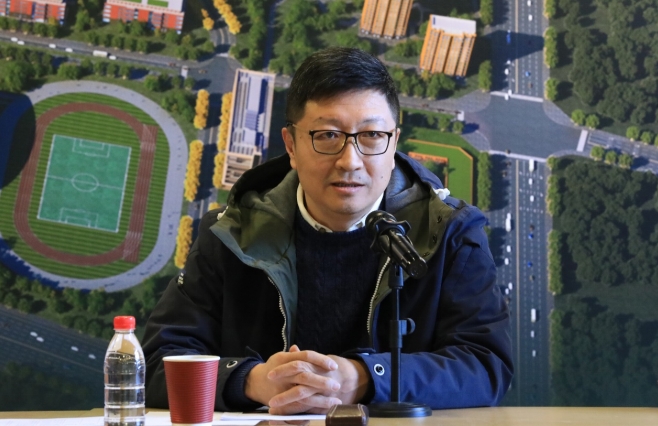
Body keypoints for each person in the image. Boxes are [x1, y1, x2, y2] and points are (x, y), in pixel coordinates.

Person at [142, 47, 513, 414]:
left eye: (371, 135)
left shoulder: (449, 233)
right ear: (291, 145)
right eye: (328, 136)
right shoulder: (230, 233)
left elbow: (486, 365)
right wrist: (251, 381)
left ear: (394, 142)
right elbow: (156, 363)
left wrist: (366, 378)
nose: (350, 161)